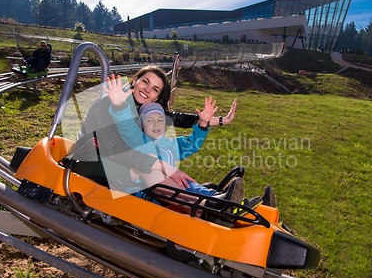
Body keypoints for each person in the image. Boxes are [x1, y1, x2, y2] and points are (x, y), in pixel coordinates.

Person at [69, 66, 250, 218]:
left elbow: (177, 118)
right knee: (151, 166)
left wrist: (219, 120)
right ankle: (207, 203)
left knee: (154, 162)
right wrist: (159, 164)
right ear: (135, 80)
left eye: (155, 89)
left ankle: (211, 202)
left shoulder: (143, 109)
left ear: (157, 97)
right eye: (145, 82)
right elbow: (114, 148)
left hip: (121, 162)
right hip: (92, 161)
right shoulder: (112, 102)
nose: (148, 90)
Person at [105, 76, 263, 213]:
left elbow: (192, 143)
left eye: (160, 120)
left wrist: (202, 124)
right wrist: (119, 105)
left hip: (173, 192)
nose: (156, 124)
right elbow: (126, 128)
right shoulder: (139, 140)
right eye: (149, 121)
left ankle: (233, 202)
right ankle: (217, 201)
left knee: (191, 185)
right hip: (152, 193)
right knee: (185, 185)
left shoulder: (170, 144)